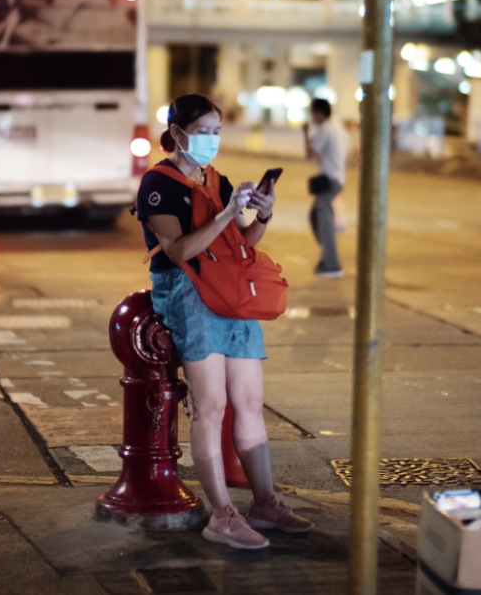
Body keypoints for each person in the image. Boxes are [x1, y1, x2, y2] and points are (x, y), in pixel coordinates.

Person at [138, 94, 313, 550]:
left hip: (233, 295)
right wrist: (226, 213)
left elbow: (239, 244)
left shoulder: (218, 179)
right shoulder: (158, 184)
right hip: (190, 296)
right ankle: (222, 515)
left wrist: (261, 216)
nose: (211, 140)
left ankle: (264, 502)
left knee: (250, 401)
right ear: (177, 133)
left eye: (217, 131)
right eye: (203, 131)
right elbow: (178, 252)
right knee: (210, 405)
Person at [303, 97, 346, 277]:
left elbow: (309, 153)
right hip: (336, 180)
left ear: (319, 113)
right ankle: (328, 254)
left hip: (327, 182)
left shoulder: (324, 129)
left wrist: (305, 133)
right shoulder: (339, 129)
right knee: (315, 217)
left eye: (312, 112)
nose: (311, 116)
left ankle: (331, 264)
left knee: (325, 223)